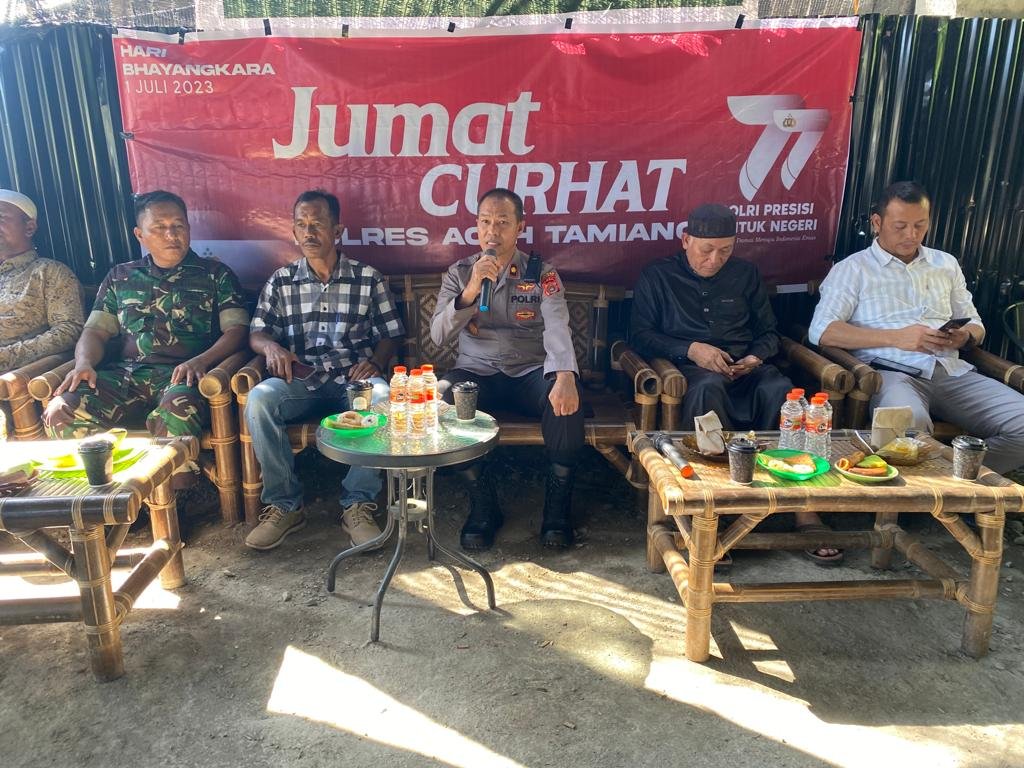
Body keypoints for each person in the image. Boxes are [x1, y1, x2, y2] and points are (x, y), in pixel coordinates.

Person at [631, 203, 840, 565]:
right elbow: (640, 335)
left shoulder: (745, 274)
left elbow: (769, 333)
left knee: (780, 391)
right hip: (690, 371)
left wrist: (755, 357)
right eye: (706, 250)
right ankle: (712, 510)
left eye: (725, 250)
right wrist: (691, 349)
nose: (715, 259)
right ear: (685, 240)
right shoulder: (657, 276)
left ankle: (802, 510)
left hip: (745, 370)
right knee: (707, 389)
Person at [809, 180, 1024, 474]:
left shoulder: (945, 264)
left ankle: (952, 478)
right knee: (907, 433)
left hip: (951, 371)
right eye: (900, 226)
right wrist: (897, 338)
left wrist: (963, 337)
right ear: (877, 223)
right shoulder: (853, 269)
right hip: (891, 373)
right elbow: (822, 331)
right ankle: (937, 484)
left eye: (920, 225)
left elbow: (976, 324)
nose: (911, 235)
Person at [243, 189, 405, 552]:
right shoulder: (281, 280)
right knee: (260, 399)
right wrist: (270, 347)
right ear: (293, 232)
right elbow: (257, 332)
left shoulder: (367, 278)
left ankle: (358, 504)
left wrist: (376, 362)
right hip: (301, 380)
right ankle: (285, 505)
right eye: (301, 225)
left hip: (354, 379)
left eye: (317, 224)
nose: (309, 232)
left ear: (338, 231)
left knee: (383, 397)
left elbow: (391, 333)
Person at [430, 187, 584, 550]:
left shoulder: (541, 273)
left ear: (520, 227)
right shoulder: (460, 272)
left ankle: (557, 512)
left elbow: (557, 324)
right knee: (442, 400)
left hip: (529, 371)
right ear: (476, 225)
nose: (492, 231)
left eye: (502, 222)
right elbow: (437, 335)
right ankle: (483, 507)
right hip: (477, 372)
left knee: (565, 402)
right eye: (485, 222)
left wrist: (565, 375)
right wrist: (470, 290)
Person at [44, 191, 248, 447]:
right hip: (124, 376)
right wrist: (84, 363)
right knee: (60, 411)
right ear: (140, 235)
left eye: (178, 226)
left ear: (188, 228)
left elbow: (238, 330)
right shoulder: (120, 276)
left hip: (183, 378)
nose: (171, 235)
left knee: (177, 411)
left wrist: (202, 360)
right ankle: (107, 470)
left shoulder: (216, 275)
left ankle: (174, 474)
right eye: (159, 227)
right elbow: (95, 331)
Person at [0, 189, 83, 372]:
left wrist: (6, 356)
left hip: (13, 377)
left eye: (1, 217)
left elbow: (69, 332)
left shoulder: (50, 272)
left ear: (29, 227)